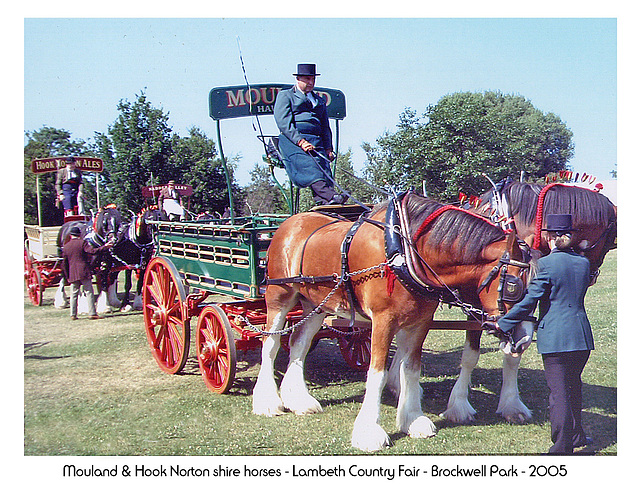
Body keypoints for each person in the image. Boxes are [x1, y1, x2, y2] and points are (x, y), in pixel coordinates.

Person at [495, 214, 594, 454]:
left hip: (556, 338)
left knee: (558, 393)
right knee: (573, 386)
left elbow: (530, 300)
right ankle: (577, 434)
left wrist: (504, 323)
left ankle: (561, 447)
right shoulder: (583, 263)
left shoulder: (547, 265)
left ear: (550, 238)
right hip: (581, 335)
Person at [274, 63, 347, 206]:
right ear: (298, 79)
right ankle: (331, 196)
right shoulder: (286, 96)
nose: (311, 82)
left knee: (324, 169)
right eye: (307, 79)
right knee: (311, 168)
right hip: (293, 142)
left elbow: (325, 126)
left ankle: (325, 202)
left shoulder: (319, 100)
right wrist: (300, 141)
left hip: (316, 141)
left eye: (313, 79)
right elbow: (283, 122)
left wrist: (328, 148)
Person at [62, 225, 113, 320]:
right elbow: (93, 251)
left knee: (73, 294)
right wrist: (105, 247)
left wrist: (67, 275)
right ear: (79, 235)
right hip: (84, 271)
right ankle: (92, 313)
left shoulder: (66, 247)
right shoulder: (83, 243)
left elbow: (64, 264)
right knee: (89, 292)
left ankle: (73, 314)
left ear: (70, 235)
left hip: (73, 273)